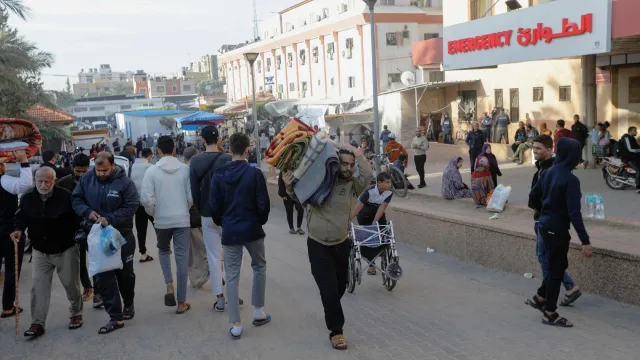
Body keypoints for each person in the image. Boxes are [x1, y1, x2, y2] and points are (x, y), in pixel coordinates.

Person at [282, 142, 373, 350]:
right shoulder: (320, 181)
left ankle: (330, 304)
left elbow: (367, 175)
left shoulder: (353, 186)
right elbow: (300, 195)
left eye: (351, 164)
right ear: (334, 163)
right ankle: (337, 332)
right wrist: (288, 186)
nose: (348, 168)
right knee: (330, 290)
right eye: (343, 164)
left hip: (342, 244)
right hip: (318, 245)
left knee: (340, 286)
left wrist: (356, 152)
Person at [210, 133, 271, 339]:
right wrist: (258, 220)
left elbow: (214, 207)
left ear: (230, 149)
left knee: (232, 274)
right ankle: (258, 310)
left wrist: (223, 223)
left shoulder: (218, 175)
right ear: (247, 150)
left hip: (230, 230)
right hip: (253, 229)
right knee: (259, 266)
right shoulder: (255, 174)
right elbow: (264, 204)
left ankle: (236, 324)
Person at [528, 138, 592, 327]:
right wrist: (585, 240)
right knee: (556, 271)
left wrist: (545, 210)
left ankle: (540, 296)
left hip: (544, 225)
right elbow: (574, 214)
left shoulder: (548, 172)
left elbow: (533, 197)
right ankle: (550, 313)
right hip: (557, 229)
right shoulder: (571, 180)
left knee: (559, 264)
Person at [72, 152, 138, 334]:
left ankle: (129, 304)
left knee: (125, 274)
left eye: (105, 170)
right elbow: (76, 199)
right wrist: (87, 212)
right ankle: (115, 317)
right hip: (96, 236)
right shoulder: (86, 179)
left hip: (119, 235)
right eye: (98, 170)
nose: (100, 174)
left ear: (113, 165)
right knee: (104, 276)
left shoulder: (125, 182)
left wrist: (110, 218)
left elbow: (132, 205)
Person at [13, 167, 82, 338]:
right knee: (38, 287)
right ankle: (37, 322)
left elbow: (77, 219)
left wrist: (77, 236)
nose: (43, 185)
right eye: (39, 181)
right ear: (34, 180)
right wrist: (18, 229)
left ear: (54, 181)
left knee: (71, 284)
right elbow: (21, 217)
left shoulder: (66, 197)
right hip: (40, 251)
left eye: (47, 181)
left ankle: (76, 313)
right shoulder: (28, 198)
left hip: (64, 249)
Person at [141, 136, 193, 314]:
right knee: (182, 258)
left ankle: (169, 285)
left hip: (162, 221)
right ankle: (181, 302)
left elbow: (146, 199)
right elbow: (191, 197)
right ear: (174, 149)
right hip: (182, 220)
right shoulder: (185, 170)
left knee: (163, 251)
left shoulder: (152, 171)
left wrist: (154, 213)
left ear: (158, 151)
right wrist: (184, 209)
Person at [189, 126, 233, 311]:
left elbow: (194, 192)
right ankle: (233, 294)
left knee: (214, 257)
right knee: (232, 256)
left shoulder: (195, 161)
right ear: (219, 140)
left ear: (203, 141)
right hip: (228, 214)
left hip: (207, 214)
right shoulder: (228, 159)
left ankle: (220, 298)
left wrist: (201, 209)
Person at [57, 153, 95, 302]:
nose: (80, 175)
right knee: (79, 261)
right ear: (72, 167)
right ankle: (88, 287)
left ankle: (100, 290)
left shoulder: (94, 180)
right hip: (72, 226)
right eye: (78, 171)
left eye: (84, 171)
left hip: (92, 225)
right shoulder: (63, 182)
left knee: (96, 259)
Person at [0, 150, 32, 318]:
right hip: (10, 232)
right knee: (12, 270)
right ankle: (7, 307)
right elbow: (25, 185)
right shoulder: (4, 180)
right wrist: (24, 161)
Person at [352, 172, 393, 275]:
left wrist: (375, 222)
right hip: (364, 213)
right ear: (379, 183)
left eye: (390, 182)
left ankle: (385, 255)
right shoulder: (368, 192)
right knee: (367, 238)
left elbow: (382, 207)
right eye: (387, 182)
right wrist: (348, 220)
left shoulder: (389, 193)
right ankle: (371, 264)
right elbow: (358, 208)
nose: (390, 184)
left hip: (377, 212)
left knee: (384, 232)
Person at [183, 146, 209, 288]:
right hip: (198, 215)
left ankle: (196, 279)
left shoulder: (183, 172)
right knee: (203, 248)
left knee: (191, 252)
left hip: (186, 218)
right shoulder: (197, 171)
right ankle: (207, 274)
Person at [130, 147, 155, 263]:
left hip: (138, 204)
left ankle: (143, 254)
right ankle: (164, 247)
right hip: (150, 203)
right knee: (159, 226)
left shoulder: (132, 167)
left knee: (141, 230)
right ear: (150, 156)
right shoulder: (151, 167)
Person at [619, 126, 640, 193]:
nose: (636, 132)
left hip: (634, 157)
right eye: (635, 131)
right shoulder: (626, 137)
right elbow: (630, 149)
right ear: (630, 131)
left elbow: (637, 147)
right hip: (628, 158)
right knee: (639, 170)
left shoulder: (632, 138)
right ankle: (638, 188)